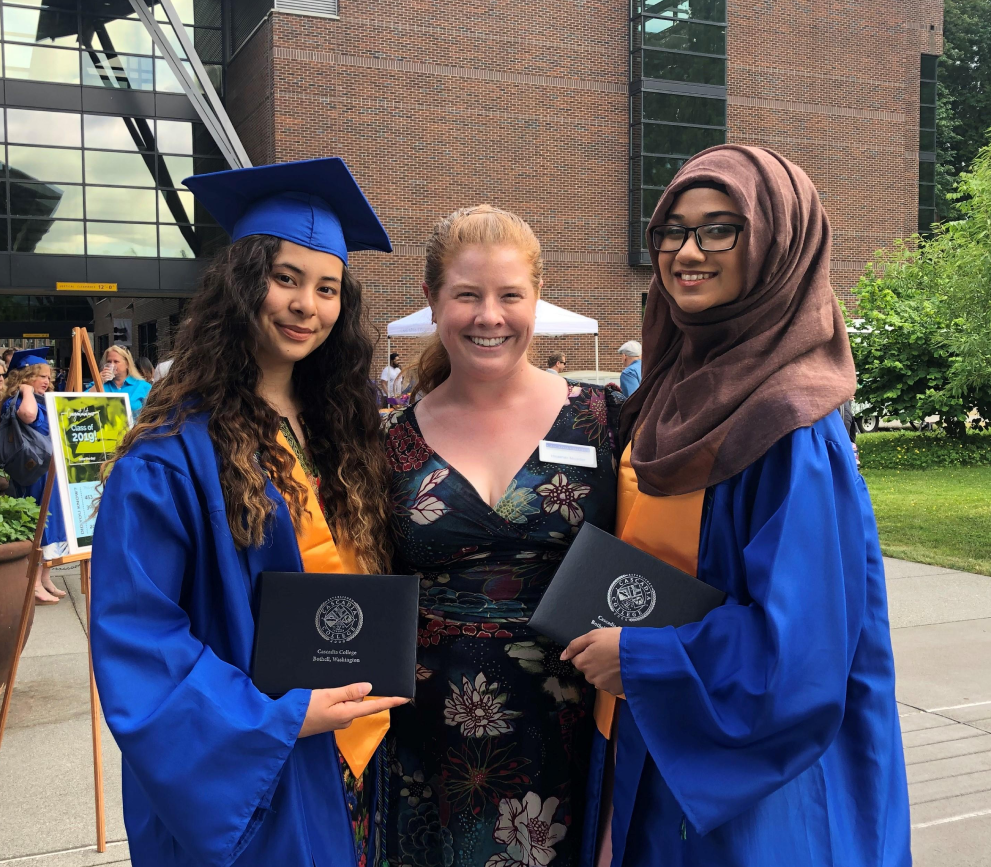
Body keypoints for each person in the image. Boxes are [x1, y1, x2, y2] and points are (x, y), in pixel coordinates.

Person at [561, 145, 910, 866]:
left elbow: (804, 647)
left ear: (779, 242)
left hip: (748, 773)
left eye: (720, 228)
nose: (687, 252)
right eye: (672, 230)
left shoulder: (792, 420)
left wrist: (645, 659)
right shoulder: (668, 387)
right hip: (646, 732)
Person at [88, 157, 408, 867]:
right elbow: (137, 634)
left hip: (356, 754)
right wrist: (280, 716)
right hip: (260, 760)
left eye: (327, 288)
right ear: (241, 282)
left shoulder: (340, 429)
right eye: (286, 278)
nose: (307, 305)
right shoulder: (170, 454)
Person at [380, 205, 618, 867]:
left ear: (536, 298)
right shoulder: (386, 443)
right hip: (426, 747)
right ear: (431, 300)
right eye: (466, 294)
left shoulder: (602, 420)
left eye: (509, 294)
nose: (489, 315)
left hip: (573, 730)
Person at [1, 348, 67, 605]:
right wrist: (26, 390)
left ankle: (46, 577)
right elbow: (28, 416)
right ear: (26, 376)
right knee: (40, 523)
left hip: (48, 469)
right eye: (41, 376)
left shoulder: (42, 400)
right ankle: (35, 582)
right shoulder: (17, 400)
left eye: (49, 377)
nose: (47, 381)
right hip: (33, 471)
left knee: (53, 522)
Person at [89, 344, 152, 416]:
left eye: (116, 361)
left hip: (133, 426)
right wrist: (99, 381)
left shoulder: (142, 386)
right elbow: (81, 404)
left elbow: (151, 414)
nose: (112, 365)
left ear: (127, 364)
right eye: (109, 362)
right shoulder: (98, 383)